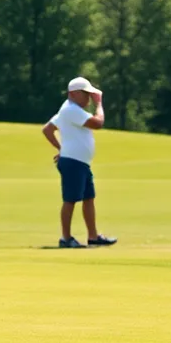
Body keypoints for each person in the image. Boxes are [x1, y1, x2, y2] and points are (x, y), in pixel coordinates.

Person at [42, 76, 117, 249]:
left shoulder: (68, 109)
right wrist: (99, 104)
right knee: (70, 199)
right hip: (73, 162)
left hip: (79, 161)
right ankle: (66, 238)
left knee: (88, 198)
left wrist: (61, 149)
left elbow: (47, 129)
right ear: (74, 94)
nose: (89, 98)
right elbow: (98, 123)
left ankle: (92, 236)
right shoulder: (71, 110)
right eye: (86, 94)